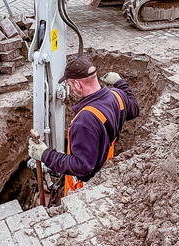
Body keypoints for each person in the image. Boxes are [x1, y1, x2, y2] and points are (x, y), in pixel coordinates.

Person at [28, 54, 140, 197]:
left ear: (77, 84)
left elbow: (82, 166)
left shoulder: (84, 121)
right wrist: (120, 83)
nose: (70, 89)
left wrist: (45, 154)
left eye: (69, 85)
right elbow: (134, 109)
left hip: (85, 185)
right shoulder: (117, 95)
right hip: (104, 166)